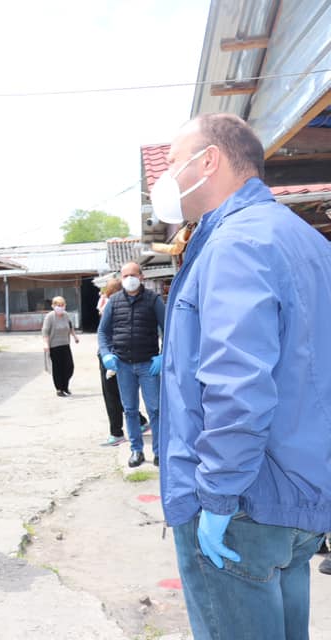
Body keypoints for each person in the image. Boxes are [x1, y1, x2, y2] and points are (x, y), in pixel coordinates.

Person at [156, 113, 331, 640]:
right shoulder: (308, 241)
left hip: (242, 505)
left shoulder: (234, 244)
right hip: (299, 499)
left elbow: (237, 386)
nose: (163, 179)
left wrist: (216, 496)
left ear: (208, 161)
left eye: (171, 163)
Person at [98, 261, 164, 468]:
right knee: (130, 410)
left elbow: (169, 329)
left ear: (142, 277)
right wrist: (106, 354)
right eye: (125, 276)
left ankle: (159, 451)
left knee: (155, 410)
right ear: (121, 278)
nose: (129, 279)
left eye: (133, 275)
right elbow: (103, 332)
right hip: (124, 366)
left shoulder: (154, 300)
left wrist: (163, 356)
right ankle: (136, 450)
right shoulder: (114, 302)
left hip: (148, 365)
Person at [97, 279, 148, 447]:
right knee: (122, 395)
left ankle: (116, 432)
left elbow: (105, 333)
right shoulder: (128, 306)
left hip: (112, 356)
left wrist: (107, 354)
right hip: (123, 356)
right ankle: (140, 422)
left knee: (112, 396)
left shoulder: (112, 307)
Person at [41, 295, 79, 397]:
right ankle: (59, 389)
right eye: (58, 305)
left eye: (62, 305)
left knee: (69, 367)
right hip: (54, 346)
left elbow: (70, 327)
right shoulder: (50, 317)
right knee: (58, 368)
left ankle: (65, 386)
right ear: (53, 306)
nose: (60, 307)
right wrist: (45, 343)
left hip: (65, 344)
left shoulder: (66, 315)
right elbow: (45, 331)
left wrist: (75, 337)